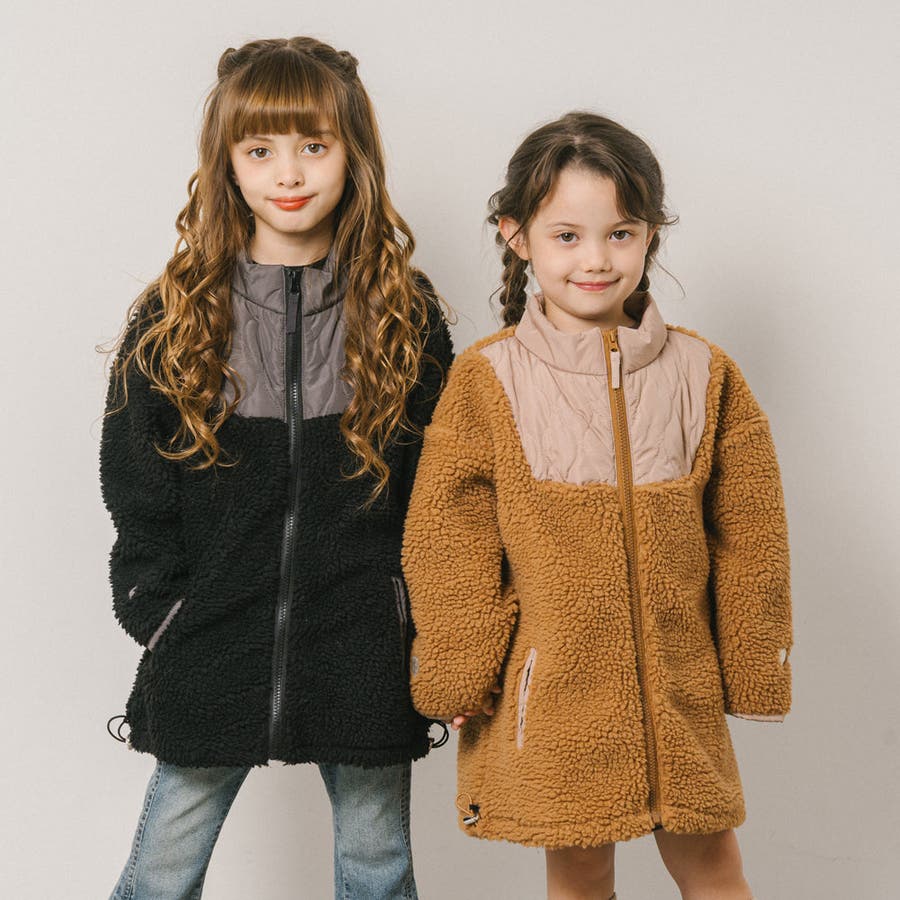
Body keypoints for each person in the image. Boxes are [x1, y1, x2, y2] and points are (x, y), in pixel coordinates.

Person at [402, 111, 791, 900]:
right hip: (556, 698)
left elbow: (752, 532)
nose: (596, 259)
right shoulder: (489, 378)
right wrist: (459, 669)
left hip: (679, 688)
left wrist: (753, 664)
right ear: (517, 236)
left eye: (620, 233)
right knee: (579, 874)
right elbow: (448, 537)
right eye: (567, 235)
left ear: (650, 235)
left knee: (714, 868)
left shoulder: (704, 373)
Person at [100, 36, 452, 900]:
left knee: (378, 867)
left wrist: (420, 623)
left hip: (366, 647)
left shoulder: (404, 319)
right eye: (259, 149)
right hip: (210, 637)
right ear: (226, 163)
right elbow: (135, 485)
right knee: (161, 873)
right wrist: (161, 613)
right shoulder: (173, 319)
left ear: (353, 156)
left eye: (314, 146)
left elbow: (442, 496)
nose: (288, 173)